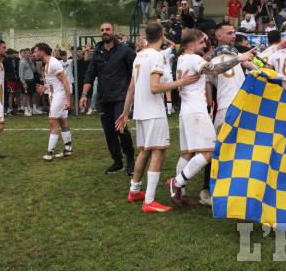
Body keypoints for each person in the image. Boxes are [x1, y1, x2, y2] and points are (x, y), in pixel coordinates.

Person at [115, 22, 199, 213]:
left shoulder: (139, 55)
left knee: (145, 151)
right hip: (153, 112)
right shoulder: (157, 56)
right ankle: (149, 201)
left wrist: (126, 111)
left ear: (145, 35)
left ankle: (134, 190)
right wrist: (182, 82)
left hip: (141, 112)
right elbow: (155, 88)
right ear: (162, 34)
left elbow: (131, 87)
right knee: (159, 151)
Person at [167, 30, 255, 208]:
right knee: (210, 152)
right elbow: (215, 68)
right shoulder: (194, 59)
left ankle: (180, 194)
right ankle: (177, 183)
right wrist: (239, 58)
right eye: (201, 42)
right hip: (196, 111)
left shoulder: (183, 59)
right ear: (191, 45)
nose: (205, 46)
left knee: (187, 154)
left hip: (186, 110)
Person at [200, 23, 256, 205]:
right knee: (219, 151)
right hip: (225, 109)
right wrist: (209, 107)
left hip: (242, 107)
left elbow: (256, 69)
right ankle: (209, 188)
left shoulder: (237, 54)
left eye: (234, 32)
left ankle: (235, 188)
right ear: (219, 36)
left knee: (241, 149)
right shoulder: (211, 60)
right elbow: (208, 84)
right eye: (229, 33)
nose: (233, 35)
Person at [80, 22, 137, 175]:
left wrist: (134, 94)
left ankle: (131, 160)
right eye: (102, 30)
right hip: (104, 98)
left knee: (122, 129)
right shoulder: (97, 52)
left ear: (114, 32)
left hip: (121, 96)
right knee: (109, 131)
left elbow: (136, 72)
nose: (105, 32)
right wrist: (84, 95)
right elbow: (90, 75)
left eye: (107, 29)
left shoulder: (125, 50)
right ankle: (117, 162)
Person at [33, 43, 73, 160]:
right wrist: (45, 87)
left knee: (52, 122)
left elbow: (65, 81)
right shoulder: (47, 64)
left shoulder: (54, 63)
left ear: (42, 52)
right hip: (55, 96)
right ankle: (68, 149)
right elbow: (54, 82)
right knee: (62, 121)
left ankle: (50, 152)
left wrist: (68, 100)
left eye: (35, 52)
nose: (33, 54)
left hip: (59, 97)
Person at [19, 48, 35, 116]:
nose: (28, 54)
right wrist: (23, 83)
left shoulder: (29, 61)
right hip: (26, 80)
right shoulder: (22, 62)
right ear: (24, 54)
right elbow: (21, 73)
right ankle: (25, 110)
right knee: (25, 95)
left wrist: (31, 63)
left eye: (29, 53)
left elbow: (33, 70)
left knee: (30, 95)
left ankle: (30, 108)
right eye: (26, 53)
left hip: (31, 79)